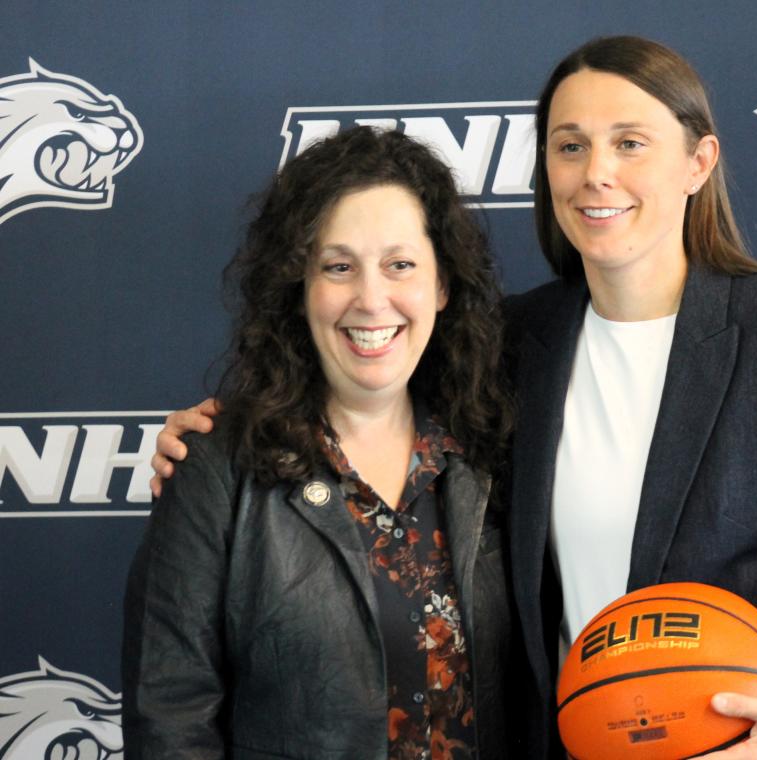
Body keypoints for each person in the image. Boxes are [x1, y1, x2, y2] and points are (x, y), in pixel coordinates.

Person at [151, 37, 757, 760]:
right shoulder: (519, 341)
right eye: (570, 145)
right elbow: (363, 370)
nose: (596, 171)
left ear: (699, 161)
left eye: (630, 142)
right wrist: (216, 436)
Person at [123, 126, 516, 760]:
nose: (371, 298)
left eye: (400, 265)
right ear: (298, 289)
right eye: (339, 267)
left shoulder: (491, 451)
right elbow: (169, 714)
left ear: (442, 287)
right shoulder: (219, 465)